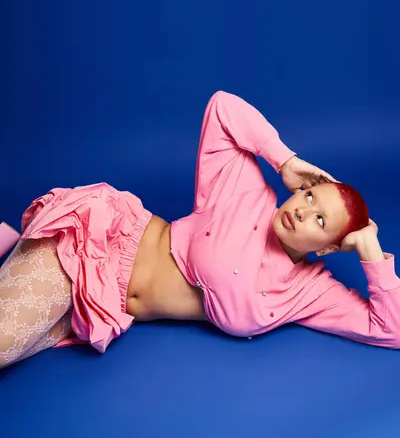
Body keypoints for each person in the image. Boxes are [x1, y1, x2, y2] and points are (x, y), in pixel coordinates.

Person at [1, 90, 399, 369]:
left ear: (329, 248)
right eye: (311, 197)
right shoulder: (247, 192)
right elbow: (223, 107)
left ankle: (12, 246)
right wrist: (286, 162)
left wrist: (371, 253)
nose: (302, 211)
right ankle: (24, 247)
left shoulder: (308, 292)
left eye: (320, 220)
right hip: (95, 245)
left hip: (97, 306)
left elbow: (390, 329)